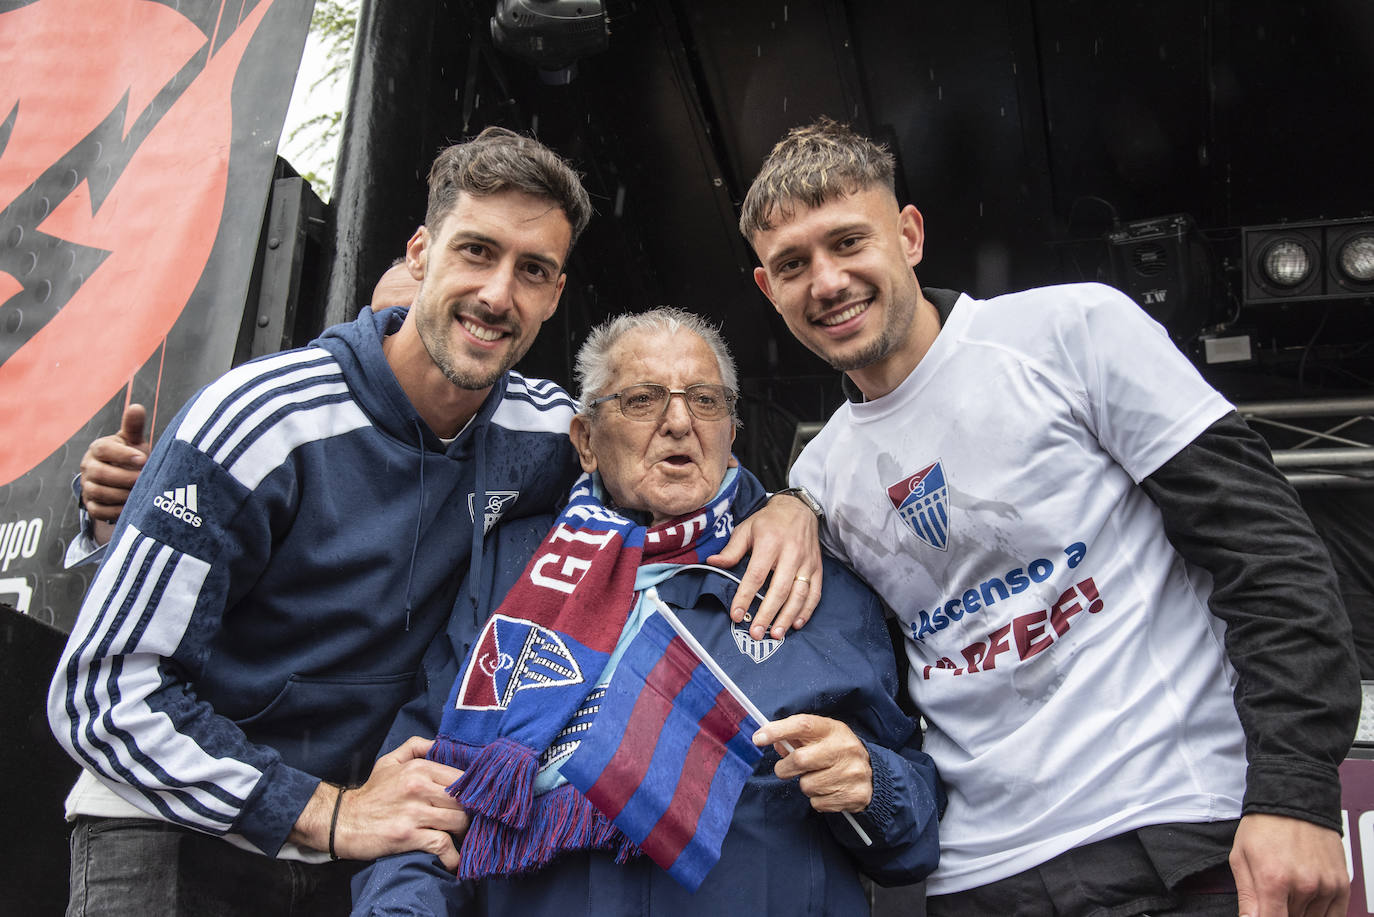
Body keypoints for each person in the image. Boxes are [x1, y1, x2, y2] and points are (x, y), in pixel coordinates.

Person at [48, 128, 820, 916]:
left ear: (555, 295)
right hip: (179, 833)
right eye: (477, 252)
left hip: (369, 839)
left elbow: (667, 459)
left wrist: (787, 509)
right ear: (421, 251)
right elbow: (98, 693)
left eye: (533, 270)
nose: (497, 293)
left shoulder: (552, 431)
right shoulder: (256, 421)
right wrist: (325, 810)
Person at [740, 118, 1360, 917]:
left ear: (909, 233)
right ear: (767, 288)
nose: (825, 281)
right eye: (792, 264)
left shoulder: (1071, 330)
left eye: (848, 242)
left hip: (1176, 830)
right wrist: (790, 500)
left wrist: (1298, 793)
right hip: (979, 880)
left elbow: (1270, 556)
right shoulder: (816, 473)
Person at [351, 307, 943, 915]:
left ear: (730, 432)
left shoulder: (810, 574)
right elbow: (420, 791)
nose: (680, 422)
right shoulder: (510, 569)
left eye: (707, 401)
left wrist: (874, 784)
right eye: (642, 399)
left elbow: (911, 843)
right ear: (585, 440)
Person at [63, 259, 424, 565]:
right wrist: (130, 503)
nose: (393, 339)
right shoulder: (279, 436)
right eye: (383, 324)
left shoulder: (474, 461)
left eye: (412, 322)